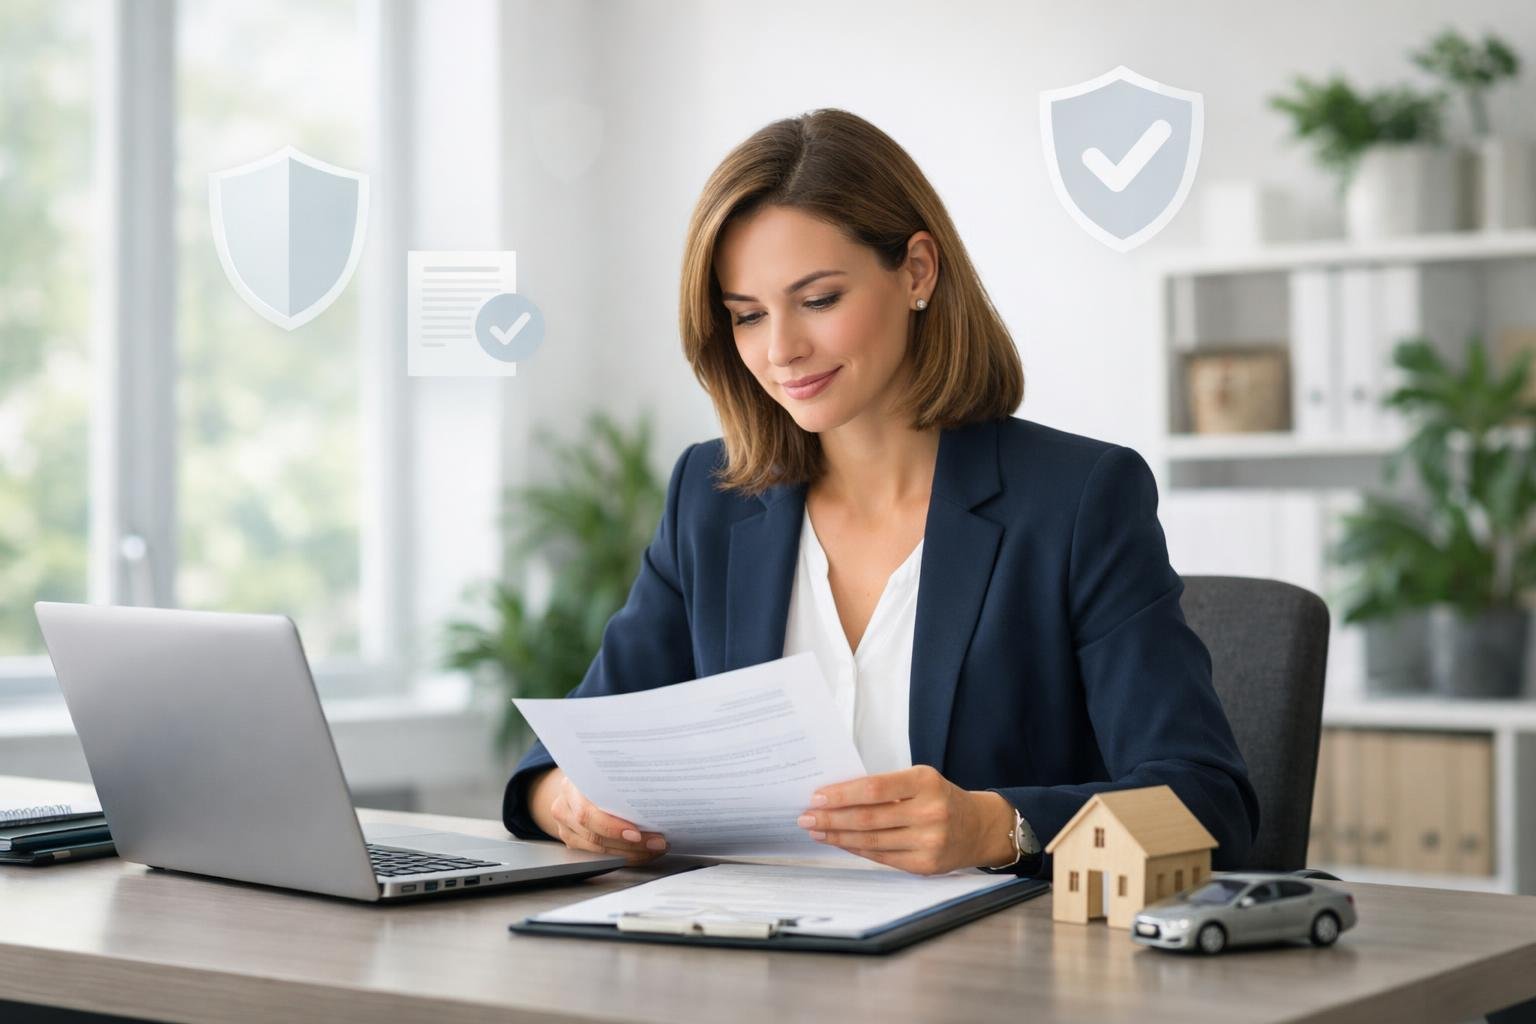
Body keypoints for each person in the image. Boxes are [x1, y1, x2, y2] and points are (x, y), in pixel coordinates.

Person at [502, 108, 1258, 877]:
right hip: (752, 970)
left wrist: (996, 827)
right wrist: (566, 799)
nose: (781, 350)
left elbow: (1207, 805)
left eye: (819, 300)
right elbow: (560, 758)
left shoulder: (1076, 501)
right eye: (747, 316)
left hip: (989, 981)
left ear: (918, 272)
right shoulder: (712, 496)